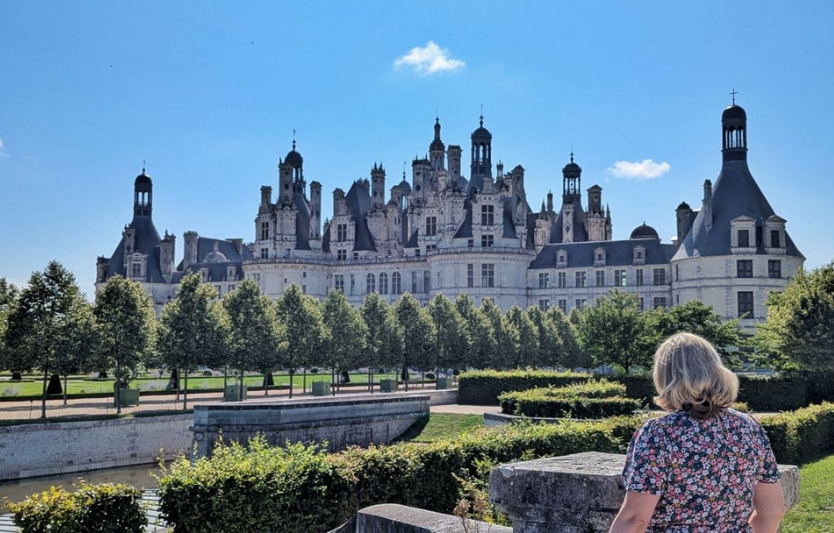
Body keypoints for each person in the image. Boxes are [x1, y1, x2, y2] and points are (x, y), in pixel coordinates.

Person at [609, 333, 786, 533]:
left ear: (665, 378)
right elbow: (773, 511)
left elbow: (634, 519)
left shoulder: (659, 433)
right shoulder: (749, 428)